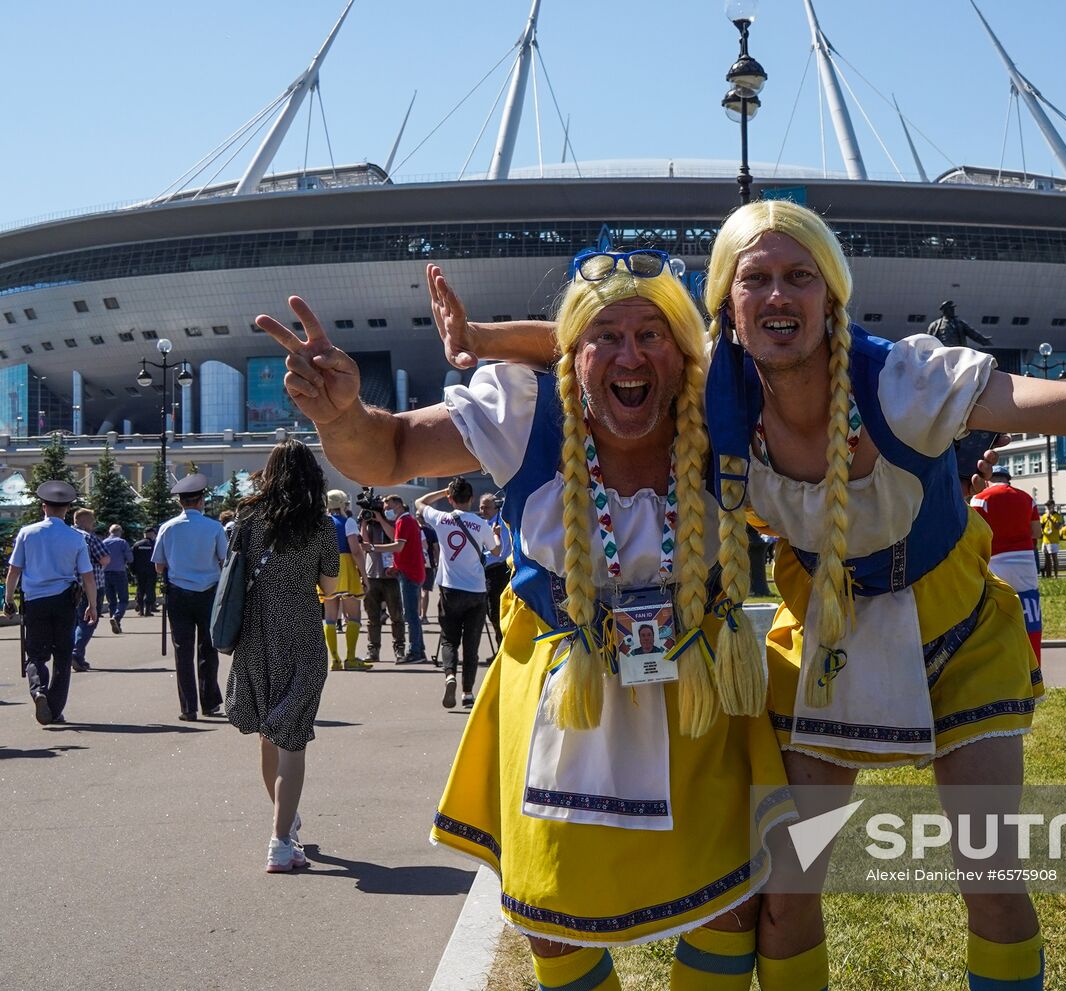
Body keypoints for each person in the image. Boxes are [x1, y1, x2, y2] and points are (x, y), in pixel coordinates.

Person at [692, 200, 1066, 991]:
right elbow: (585, 354)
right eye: (755, 278)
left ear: (832, 297)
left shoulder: (903, 380)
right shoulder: (708, 403)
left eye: (799, 276)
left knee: (991, 881)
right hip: (829, 645)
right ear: (726, 306)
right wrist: (485, 345)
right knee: (784, 893)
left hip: (959, 640)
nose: (777, 296)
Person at [259, 250, 790, 989]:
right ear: (574, 354)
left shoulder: (724, 410)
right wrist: (343, 415)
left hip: (697, 687)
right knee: (552, 915)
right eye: (605, 335)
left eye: (651, 334)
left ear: (684, 350)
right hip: (564, 694)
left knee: (726, 903)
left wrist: (486, 332)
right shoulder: (527, 413)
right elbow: (392, 449)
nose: (630, 354)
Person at [223, 440, 341, 873]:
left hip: (254, 637)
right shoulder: (321, 526)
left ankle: (286, 824)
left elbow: (232, 571)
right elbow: (329, 587)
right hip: (302, 638)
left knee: (269, 736)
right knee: (293, 739)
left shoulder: (247, 519)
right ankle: (279, 841)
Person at [4, 481, 99, 725]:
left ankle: (38, 691)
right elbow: (87, 575)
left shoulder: (27, 532)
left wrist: (8, 599)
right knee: (63, 654)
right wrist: (93, 604)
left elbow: (14, 570)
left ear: (43, 507)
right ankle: (55, 709)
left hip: (34, 601)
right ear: (66, 509)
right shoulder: (76, 537)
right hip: (64, 601)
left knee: (35, 654)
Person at [416, 477, 498, 708]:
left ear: (451, 499)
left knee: (449, 639)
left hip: (450, 589)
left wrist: (443, 492)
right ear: (471, 499)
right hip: (476, 589)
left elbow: (420, 502)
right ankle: (467, 693)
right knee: (471, 644)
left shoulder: (441, 518)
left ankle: (449, 674)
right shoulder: (481, 523)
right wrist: (498, 535)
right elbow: (496, 549)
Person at [154, 473, 228, 721]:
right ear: (200, 501)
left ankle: (188, 707)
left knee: (182, 650)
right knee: (208, 648)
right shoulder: (214, 527)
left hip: (178, 592)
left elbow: (159, 566)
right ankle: (210, 702)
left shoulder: (167, 527)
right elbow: (224, 560)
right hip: (208, 592)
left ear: (181, 503)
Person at [970, 467, 1043, 661]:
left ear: (988, 480)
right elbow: (1036, 532)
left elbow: (974, 531)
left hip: (995, 561)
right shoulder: (1027, 498)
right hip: (1025, 562)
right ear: (1008, 480)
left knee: (995, 613)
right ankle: (1033, 666)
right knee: (1030, 616)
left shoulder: (981, 498)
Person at [368, 494, 428, 664]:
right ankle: (418, 649)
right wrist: (396, 566)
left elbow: (398, 546)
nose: (385, 509)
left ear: (398, 505)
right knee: (412, 615)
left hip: (410, 574)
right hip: (410, 571)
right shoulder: (407, 521)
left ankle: (415, 652)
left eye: (387, 505)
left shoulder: (404, 521)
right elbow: (405, 546)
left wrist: (372, 547)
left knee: (410, 616)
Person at [322, 490, 370, 670]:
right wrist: (364, 577)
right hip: (346, 567)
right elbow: (356, 551)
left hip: (327, 570)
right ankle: (350, 658)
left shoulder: (321, 523)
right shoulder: (348, 522)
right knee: (354, 615)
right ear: (343, 504)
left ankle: (334, 659)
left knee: (330, 617)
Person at [359, 502, 405, 663]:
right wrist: (364, 522)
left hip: (390, 576)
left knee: (396, 615)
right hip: (372, 575)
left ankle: (399, 649)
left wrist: (380, 519)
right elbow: (364, 544)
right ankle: (373, 650)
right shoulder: (368, 525)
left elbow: (393, 536)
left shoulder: (392, 522)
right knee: (372, 617)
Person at [70, 508, 110, 673]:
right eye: (92, 521)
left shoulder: (66, 536)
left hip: (70, 586)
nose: (93, 525)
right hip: (91, 585)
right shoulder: (89, 538)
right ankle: (76, 653)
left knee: (74, 622)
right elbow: (104, 558)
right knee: (88, 621)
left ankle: (73, 655)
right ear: (84, 521)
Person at [477, 492, 509, 645]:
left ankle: (503, 645)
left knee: (496, 611)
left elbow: (499, 552)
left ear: (495, 507)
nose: (483, 511)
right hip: (488, 571)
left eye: (487, 508)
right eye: (481, 508)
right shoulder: (486, 524)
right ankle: (500, 645)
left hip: (499, 570)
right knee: (492, 611)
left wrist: (483, 558)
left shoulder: (501, 522)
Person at [101, 523, 133, 633]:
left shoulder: (103, 542)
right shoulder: (122, 542)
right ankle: (117, 617)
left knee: (111, 600)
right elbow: (130, 558)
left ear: (110, 532)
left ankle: (115, 622)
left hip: (105, 573)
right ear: (120, 532)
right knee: (123, 599)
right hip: (119, 572)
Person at [131, 525, 159, 616]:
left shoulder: (137, 545)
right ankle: (148, 610)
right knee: (150, 589)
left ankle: (141, 610)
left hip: (139, 571)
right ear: (152, 534)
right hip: (152, 571)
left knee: (140, 589)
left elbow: (132, 559)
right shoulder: (155, 545)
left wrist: (133, 570)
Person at [1040, 499, 1063, 577]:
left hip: (1053, 541)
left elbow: (1058, 527)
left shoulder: (1057, 516)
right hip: (1045, 540)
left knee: (1054, 558)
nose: (1048, 507)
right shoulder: (1044, 516)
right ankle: (1048, 575)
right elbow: (1041, 527)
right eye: (1047, 506)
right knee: (1047, 559)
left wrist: (1051, 520)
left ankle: (1056, 575)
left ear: (1053, 506)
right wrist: (1042, 531)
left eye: (1049, 505)